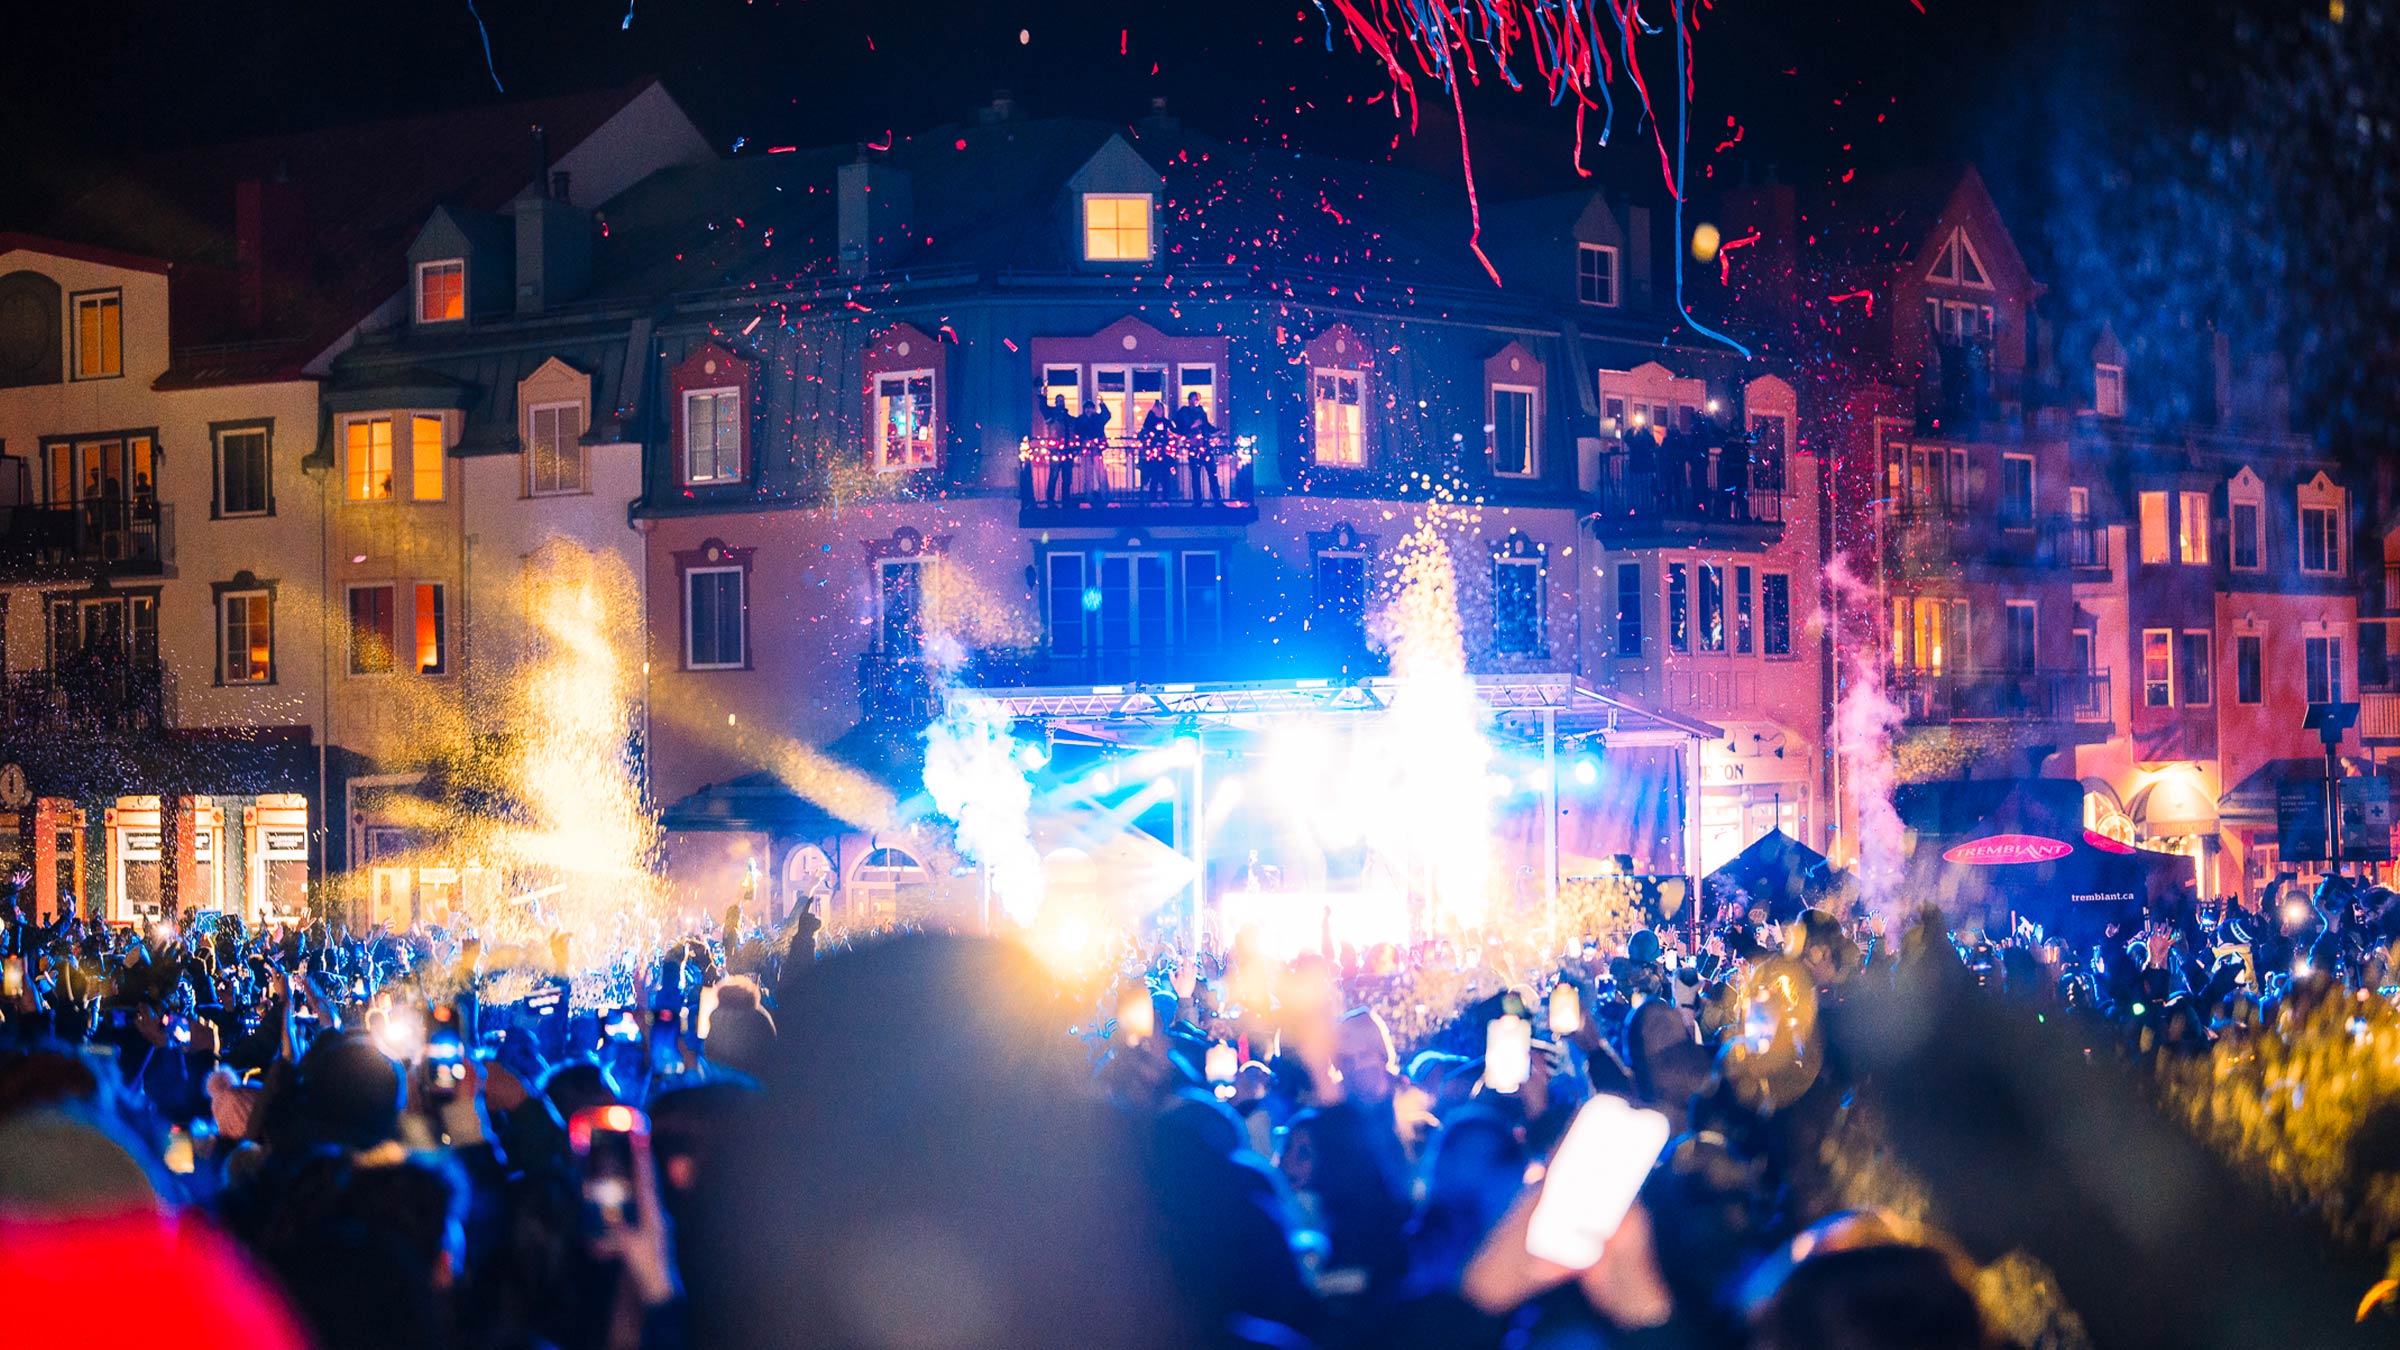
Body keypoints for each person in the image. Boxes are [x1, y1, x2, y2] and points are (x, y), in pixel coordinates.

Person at [1171, 392, 1222, 502]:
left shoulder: (1201, 412)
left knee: (1212, 473)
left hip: (1205, 446)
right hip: (1193, 448)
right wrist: (1192, 426)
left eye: (1197, 400)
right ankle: (1197, 501)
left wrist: (1216, 431)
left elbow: (1206, 426)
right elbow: (1178, 428)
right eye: (1194, 400)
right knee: (1195, 476)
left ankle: (1218, 499)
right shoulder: (1183, 412)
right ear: (1189, 400)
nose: (1195, 402)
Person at [1137, 400, 1175, 501]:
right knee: (1154, 476)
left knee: (1165, 477)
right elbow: (1145, 427)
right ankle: (1153, 499)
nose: (1159, 411)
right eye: (1156, 410)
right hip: (1153, 454)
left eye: (1160, 409)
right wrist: (1151, 412)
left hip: (1165, 453)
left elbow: (1173, 431)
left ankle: (1165, 499)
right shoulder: (1151, 421)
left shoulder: (1166, 422)